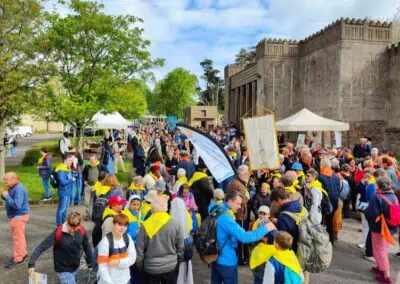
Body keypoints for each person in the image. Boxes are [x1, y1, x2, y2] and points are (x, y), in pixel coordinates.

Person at [209, 191, 276, 284]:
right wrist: (266, 228)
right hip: (226, 260)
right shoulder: (226, 218)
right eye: (238, 203)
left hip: (215, 256)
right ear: (230, 201)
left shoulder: (217, 210)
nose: (240, 206)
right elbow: (244, 237)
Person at [28, 212, 92, 284]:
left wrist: (90, 262)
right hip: (62, 269)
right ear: (67, 222)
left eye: (75, 228)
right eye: (70, 226)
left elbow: (86, 246)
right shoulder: (59, 233)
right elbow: (42, 246)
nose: (72, 229)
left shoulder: (81, 231)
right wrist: (31, 264)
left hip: (75, 266)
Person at [136, 196, 184, 283]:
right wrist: (177, 260)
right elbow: (180, 246)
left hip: (151, 267)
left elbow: (140, 249)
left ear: (152, 209)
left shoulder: (145, 225)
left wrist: (140, 266)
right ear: (166, 208)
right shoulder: (176, 223)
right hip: (171, 265)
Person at [365, 176, 399, 284]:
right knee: (383, 247)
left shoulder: (377, 197)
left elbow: (370, 213)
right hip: (391, 227)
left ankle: (386, 276)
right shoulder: (393, 196)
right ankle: (380, 267)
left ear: (379, 185)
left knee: (380, 250)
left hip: (380, 227)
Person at [97, 214, 136, 284]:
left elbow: (133, 258)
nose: (122, 228)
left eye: (125, 225)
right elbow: (102, 267)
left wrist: (118, 262)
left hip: (125, 279)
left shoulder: (128, 238)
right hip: (109, 281)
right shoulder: (105, 242)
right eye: (120, 225)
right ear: (114, 224)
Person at [2, 172, 30, 269]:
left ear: (14, 179)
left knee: (17, 238)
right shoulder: (14, 186)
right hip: (17, 216)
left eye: (6, 180)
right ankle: (23, 254)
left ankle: (19, 258)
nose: (4, 182)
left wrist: (6, 196)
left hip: (18, 216)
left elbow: (17, 205)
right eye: (4, 179)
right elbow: (12, 199)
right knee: (20, 237)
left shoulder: (18, 188)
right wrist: (4, 194)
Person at [226, 165, 252, 265]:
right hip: (239, 214)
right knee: (241, 237)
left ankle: (241, 257)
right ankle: (241, 258)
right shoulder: (239, 185)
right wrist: (247, 196)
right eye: (247, 173)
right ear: (242, 174)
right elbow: (243, 201)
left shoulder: (234, 182)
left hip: (235, 213)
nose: (248, 175)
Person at [270, 187, 306, 252]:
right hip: (304, 246)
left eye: (274, 202)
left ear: (279, 200)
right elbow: (294, 223)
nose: (274, 204)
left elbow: (282, 241)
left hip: (292, 250)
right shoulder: (301, 207)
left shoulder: (283, 217)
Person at [170, 198, 194, 284]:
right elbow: (191, 227)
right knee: (186, 266)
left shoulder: (170, 218)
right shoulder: (186, 215)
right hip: (186, 245)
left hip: (175, 246)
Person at [318, 158, 341, 244]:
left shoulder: (321, 177)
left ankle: (321, 240)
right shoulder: (336, 176)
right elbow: (339, 189)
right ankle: (331, 240)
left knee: (321, 222)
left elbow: (320, 192)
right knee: (330, 221)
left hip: (325, 203)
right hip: (334, 202)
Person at [82, 155, 105, 220]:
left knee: (95, 201)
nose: (91, 161)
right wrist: (84, 181)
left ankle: (94, 215)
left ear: (96, 160)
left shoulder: (100, 166)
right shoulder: (87, 166)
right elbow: (83, 175)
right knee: (87, 201)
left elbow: (107, 173)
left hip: (97, 186)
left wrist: (102, 181)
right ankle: (87, 215)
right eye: (90, 160)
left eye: (92, 160)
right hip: (88, 186)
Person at [55, 154, 75, 226]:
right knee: (61, 209)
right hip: (63, 192)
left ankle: (63, 222)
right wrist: (71, 180)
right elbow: (63, 182)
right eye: (70, 160)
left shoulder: (67, 167)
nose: (71, 162)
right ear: (65, 160)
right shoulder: (61, 170)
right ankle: (59, 224)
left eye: (71, 161)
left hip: (67, 191)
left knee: (65, 208)